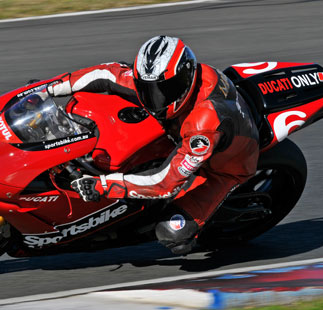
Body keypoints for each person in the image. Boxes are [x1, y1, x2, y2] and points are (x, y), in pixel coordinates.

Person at [47, 35, 259, 255]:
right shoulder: (163, 79)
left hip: (223, 168)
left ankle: (190, 228)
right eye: (148, 88)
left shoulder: (203, 124)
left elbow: (165, 183)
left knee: (172, 234)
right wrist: (48, 88)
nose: (154, 98)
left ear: (185, 78)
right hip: (180, 133)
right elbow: (105, 74)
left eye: (163, 90)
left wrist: (102, 186)